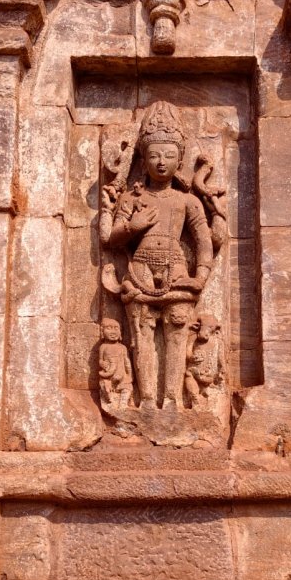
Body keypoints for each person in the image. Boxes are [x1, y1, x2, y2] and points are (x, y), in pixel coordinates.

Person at [108, 102, 213, 409]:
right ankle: (146, 399)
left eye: (168, 155)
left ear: (180, 160)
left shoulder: (187, 202)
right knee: (141, 334)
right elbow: (112, 238)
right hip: (140, 269)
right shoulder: (132, 198)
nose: (161, 162)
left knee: (177, 331)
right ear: (144, 159)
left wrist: (200, 276)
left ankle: (172, 399)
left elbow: (203, 241)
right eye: (154, 155)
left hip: (176, 269)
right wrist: (133, 226)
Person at [98, 318, 133, 409]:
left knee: (127, 387)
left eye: (116, 328)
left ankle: (123, 403)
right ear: (102, 332)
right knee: (105, 386)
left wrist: (129, 375)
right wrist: (103, 364)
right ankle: (110, 400)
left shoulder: (123, 347)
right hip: (108, 376)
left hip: (122, 375)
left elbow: (127, 362)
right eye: (109, 328)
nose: (113, 332)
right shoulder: (103, 346)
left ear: (120, 332)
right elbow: (100, 360)